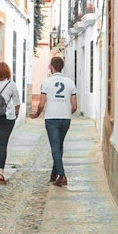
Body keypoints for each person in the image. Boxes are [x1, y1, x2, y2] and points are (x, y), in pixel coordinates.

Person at [30, 55, 77, 187]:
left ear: (51, 67)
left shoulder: (46, 82)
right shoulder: (70, 82)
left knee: (55, 146)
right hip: (65, 118)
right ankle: (54, 173)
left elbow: (41, 104)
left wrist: (37, 114)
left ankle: (62, 175)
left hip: (51, 118)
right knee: (59, 145)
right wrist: (66, 112)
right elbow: (74, 106)